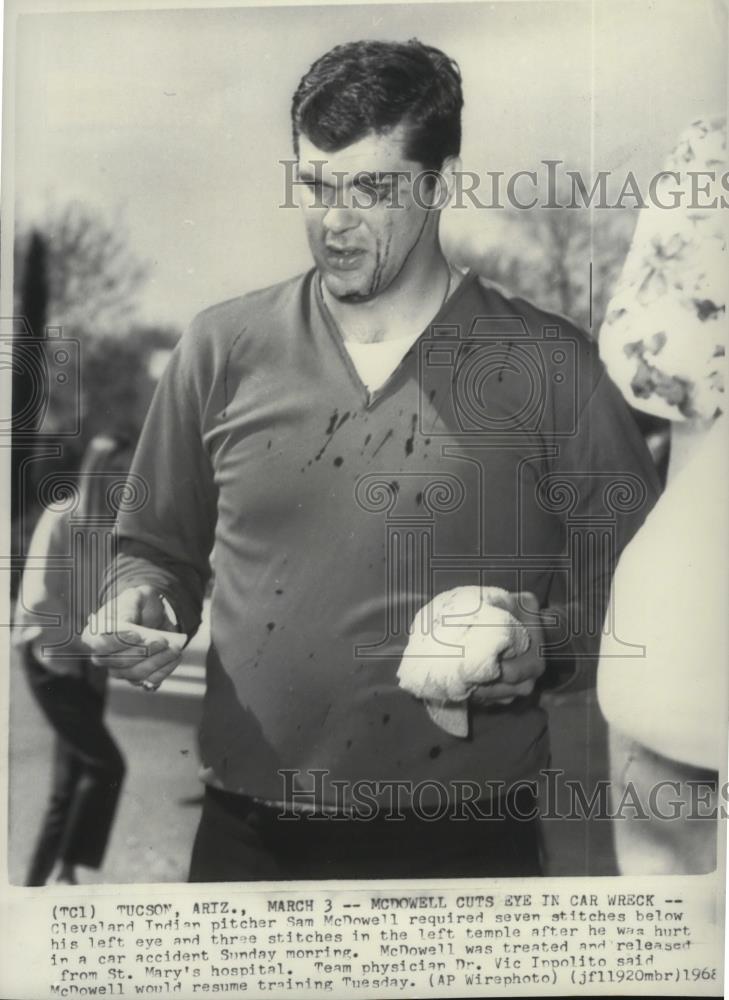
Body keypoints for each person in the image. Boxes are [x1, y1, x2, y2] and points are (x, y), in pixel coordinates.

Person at [84, 39, 660, 881]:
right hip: (247, 839)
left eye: (370, 188)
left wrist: (545, 646)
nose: (335, 220)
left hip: (464, 842)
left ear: (438, 183)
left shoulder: (553, 367)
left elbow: (645, 604)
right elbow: (155, 550)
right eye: (315, 185)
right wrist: (143, 605)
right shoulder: (220, 347)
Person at [14, 435, 131, 885]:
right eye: (116, 470)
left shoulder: (116, 528)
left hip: (87, 665)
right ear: (97, 469)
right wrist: (90, 643)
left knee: (68, 788)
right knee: (107, 766)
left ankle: (41, 882)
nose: (124, 480)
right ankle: (62, 876)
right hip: (50, 660)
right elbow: (41, 598)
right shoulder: (62, 515)